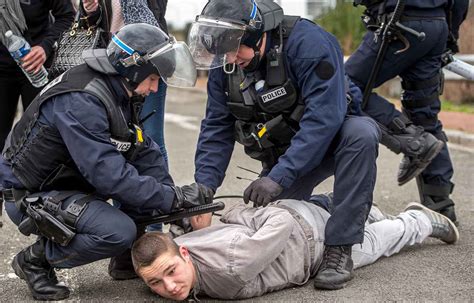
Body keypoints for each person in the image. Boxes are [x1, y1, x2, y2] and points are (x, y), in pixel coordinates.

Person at [0, 23, 213, 301]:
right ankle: (35, 260)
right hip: (31, 196)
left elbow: (142, 149)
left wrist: (173, 201)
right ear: (134, 69)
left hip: (67, 182)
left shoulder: (117, 87)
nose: (154, 87)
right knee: (116, 232)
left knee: (148, 192)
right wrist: (172, 198)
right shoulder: (81, 100)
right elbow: (109, 175)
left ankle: (126, 259)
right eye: (153, 78)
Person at [187, 0, 380, 289]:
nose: (229, 59)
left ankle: (340, 247)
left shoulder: (309, 44)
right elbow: (217, 127)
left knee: (362, 134)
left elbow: (323, 120)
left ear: (253, 34)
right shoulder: (227, 64)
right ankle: (331, 205)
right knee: (277, 219)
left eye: (233, 50)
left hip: (331, 140)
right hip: (287, 151)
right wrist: (204, 187)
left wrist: (279, 177)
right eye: (222, 53)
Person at [131, 197, 459, 300]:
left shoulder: (229, 270)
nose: (170, 288)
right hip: (291, 224)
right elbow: (159, 262)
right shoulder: (173, 249)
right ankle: (367, 212)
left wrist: (232, 213)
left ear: (183, 254)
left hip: (308, 239)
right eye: (155, 284)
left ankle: (419, 221)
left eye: (171, 273)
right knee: (358, 224)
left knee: (373, 244)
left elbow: (280, 224)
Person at [345, 0, 470, 224]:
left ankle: (414, 142)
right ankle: (440, 204)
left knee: (342, 86)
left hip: (399, 24)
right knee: (424, 111)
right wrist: (449, 34)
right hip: (437, 27)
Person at [83, 0, 170, 233]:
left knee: (149, 141)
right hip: (112, 57)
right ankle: (126, 223)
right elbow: (94, 22)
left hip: (147, 55)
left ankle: (154, 224)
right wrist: (91, 9)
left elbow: (153, 13)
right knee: (116, 140)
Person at [0, 0, 75, 152]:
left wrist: (45, 47)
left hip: (37, 67)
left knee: (37, 135)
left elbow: (67, 16)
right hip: (1, 69)